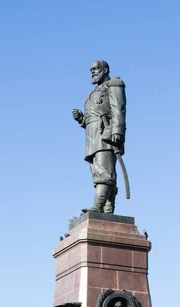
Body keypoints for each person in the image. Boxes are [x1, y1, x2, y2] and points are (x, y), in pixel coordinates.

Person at [72, 60, 126, 214]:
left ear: (105, 69)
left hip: (106, 134)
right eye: (91, 70)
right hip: (92, 137)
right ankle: (108, 209)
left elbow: (118, 108)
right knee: (99, 172)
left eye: (95, 69)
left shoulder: (114, 84)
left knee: (104, 172)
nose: (93, 72)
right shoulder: (92, 92)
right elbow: (92, 117)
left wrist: (118, 131)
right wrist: (82, 120)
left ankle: (98, 206)